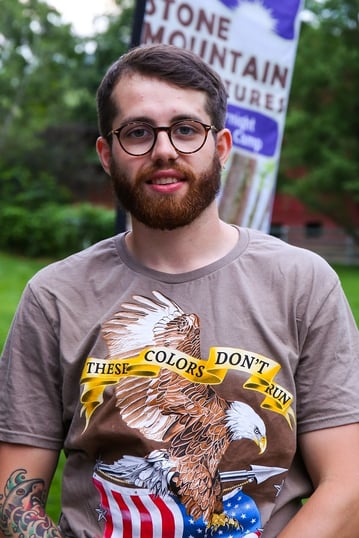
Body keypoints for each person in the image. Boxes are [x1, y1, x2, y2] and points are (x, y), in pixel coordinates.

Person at [0, 43, 359, 538]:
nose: (164, 149)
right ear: (107, 154)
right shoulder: (55, 296)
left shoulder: (303, 283)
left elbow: (349, 487)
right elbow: (11, 495)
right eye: (139, 132)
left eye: (187, 129)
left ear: (222, 147)